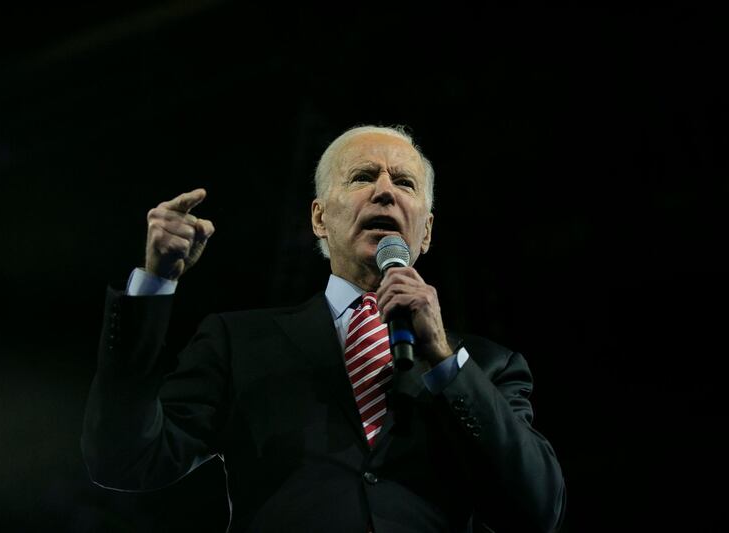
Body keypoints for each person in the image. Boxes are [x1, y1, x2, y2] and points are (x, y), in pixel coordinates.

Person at [81, 125, 566, 532]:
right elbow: (124, 459)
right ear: (319, 218)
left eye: (405, 183)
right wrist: (155, 283)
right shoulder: (239, 343)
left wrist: (442, 359)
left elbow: (538, 510)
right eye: (361, 177)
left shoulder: (488, 366)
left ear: (427, 230)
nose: (384, 190)